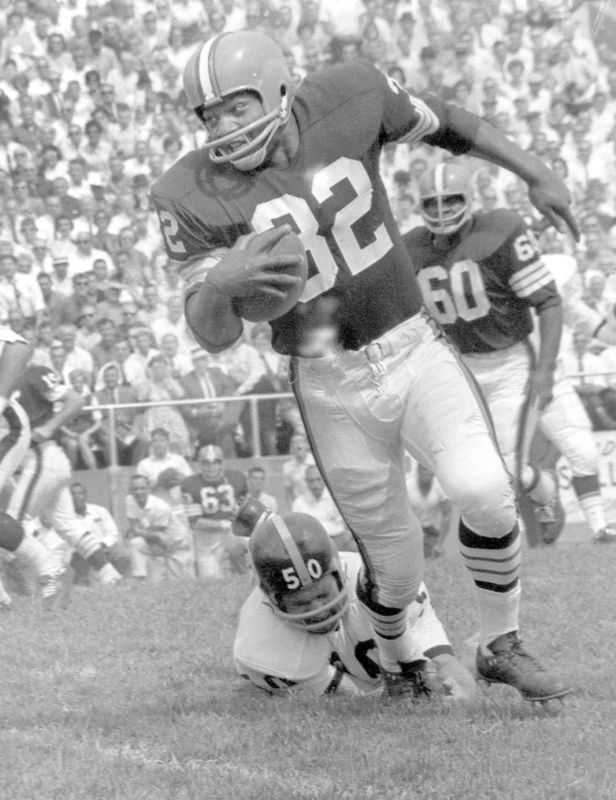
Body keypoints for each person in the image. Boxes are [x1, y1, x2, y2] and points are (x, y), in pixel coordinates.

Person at [151, 30, 578, 701]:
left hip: (410, 343)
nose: (222, 128)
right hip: (325, 378)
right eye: (208, 115)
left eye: (236, 107)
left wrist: (535, 171)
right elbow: (212, 336)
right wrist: (220, 284)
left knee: (486, 492)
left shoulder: (351, 94)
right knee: (396, 567)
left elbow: (450, 125)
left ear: (279, 88)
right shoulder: (190, 191)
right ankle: (393, 658)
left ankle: (500, 641)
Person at [405, 162, 564, 542]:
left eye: (451, 201)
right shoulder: (410, 247)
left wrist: (545, 371)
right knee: (461, 467)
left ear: (469, 200)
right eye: (433, 203)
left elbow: (550, 303)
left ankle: (544, 494)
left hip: (510, 365)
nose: (442, 211)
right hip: (458, 370)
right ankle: (441, 528)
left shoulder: (499, 231)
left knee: (506, 471)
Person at [233, 507, 477, 699]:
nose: (318, 610)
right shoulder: (258, 644)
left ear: (339, 572)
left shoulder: (379, 585)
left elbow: (439, 659)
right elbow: (351, 698)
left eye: (322, 595)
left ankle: (483, 656)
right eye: (301, 603)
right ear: (271, 601)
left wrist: (451, 673)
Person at [6, 364, 122, 588]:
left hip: (40, 457)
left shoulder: (31, 374)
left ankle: (52, 573)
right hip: (40, 461)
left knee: (10, 526)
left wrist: (50, 426)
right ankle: (110, 575)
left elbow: (76, 400)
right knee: (68, 525)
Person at [180, 444, 248, 578]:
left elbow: (246, 509)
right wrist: (224, 524)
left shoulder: (237, 478)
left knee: (247, 542)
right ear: (199, 464)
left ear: (223, 463)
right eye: (206, 463)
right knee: (212, 581)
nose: (211, 467)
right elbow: (195, 523)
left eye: (216, 462)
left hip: (233, 532)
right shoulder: (190, 484)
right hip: (206, 538)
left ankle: (246, 574)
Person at [126, 474, 193, 582]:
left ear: (149, 489)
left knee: (182, 584)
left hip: (176, 544)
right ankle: (139, 580)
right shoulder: (130, 500)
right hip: (156, 543)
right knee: (136, 543)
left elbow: (156, 535)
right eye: (135, 489)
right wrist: (137, 530)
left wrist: (137, 531)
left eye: (142, 488)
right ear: (130, 490)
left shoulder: (160, 506)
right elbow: (135, 525)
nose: (138, 492)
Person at [69, 481, 131, 584]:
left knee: (123, 554)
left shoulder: (100, 511)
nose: (76, 497)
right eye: (73, 494)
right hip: (82, 552)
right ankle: (89, 586)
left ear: (85, 496)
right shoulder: (67, 519)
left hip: (104, 548)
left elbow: (113, 533)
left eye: (80, 493)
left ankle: (120, 582)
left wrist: (102, 545)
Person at [292, 464, 353, 551]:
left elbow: (351, 523)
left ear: (324, 479)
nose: (315, 484)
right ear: (306, 482)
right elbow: (297, 532)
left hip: (339, 540)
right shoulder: (298, 503)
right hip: (313, 546)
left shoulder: (337, 498)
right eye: (311, 481)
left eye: (318, 480)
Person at [406, 460, 452, 559]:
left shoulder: (440, 487)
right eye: (422, 469)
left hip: (430, 531)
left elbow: (447, 515)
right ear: (417, 470)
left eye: (427, 469)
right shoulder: (407, 486)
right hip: (410, 531)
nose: (425, 472)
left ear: (433, 472)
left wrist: (439, 543)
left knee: (436, 558)